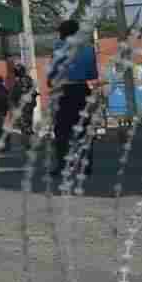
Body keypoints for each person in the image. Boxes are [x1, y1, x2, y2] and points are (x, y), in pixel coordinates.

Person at [47, 19, 99, 178]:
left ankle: (62, 166)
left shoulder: (58, 48)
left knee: (61, 131)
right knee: (84, 129)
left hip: (63, 92)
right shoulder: (88, 49)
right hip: (82, 90)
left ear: (62, 34)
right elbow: (93, 75)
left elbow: (52, 75)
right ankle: (86, 165)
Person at [8, 63, 37, 149]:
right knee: (27, 124)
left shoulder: (21, 81)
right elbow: (33, 91)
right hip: (27, 106)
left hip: (24, 106)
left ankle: (28, 143)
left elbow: (14, 94)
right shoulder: (28, 80)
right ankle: (29, 143)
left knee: (25, 124)